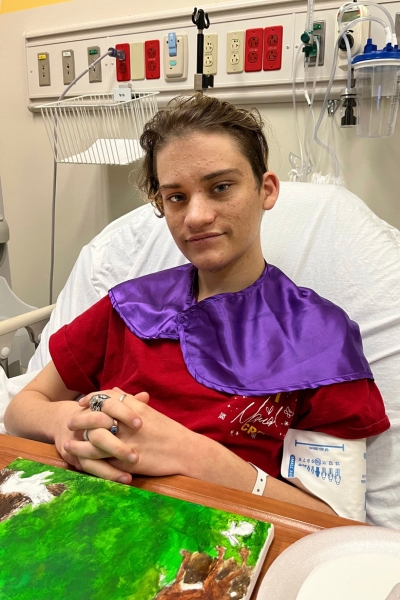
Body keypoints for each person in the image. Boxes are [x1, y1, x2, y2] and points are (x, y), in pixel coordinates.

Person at [4, 94, 389, 517]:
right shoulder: (129, 307)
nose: (196, 216)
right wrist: (66, 425)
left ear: (266, 190)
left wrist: (195, 457)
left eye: (220, 187)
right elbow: (24, 407)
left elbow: (333, 523)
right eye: (176, 197)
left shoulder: (319, 340)